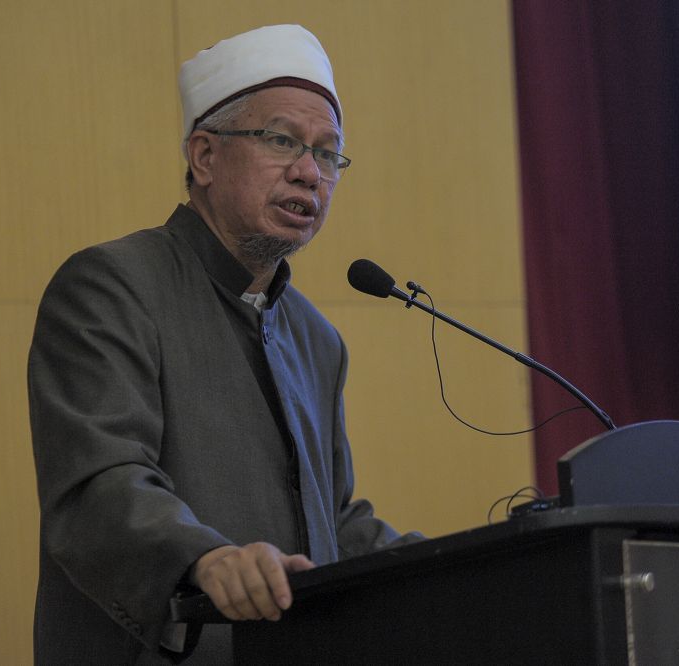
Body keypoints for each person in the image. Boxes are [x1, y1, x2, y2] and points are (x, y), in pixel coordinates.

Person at [28, 24, 418, 664]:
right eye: (282, 141)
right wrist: (206, 558)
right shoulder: (111, 287)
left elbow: (332, 522)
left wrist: (464, 564)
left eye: (328, 153)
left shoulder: (318, 339)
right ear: (205, 156)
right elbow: (99, 485)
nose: (309, 174)